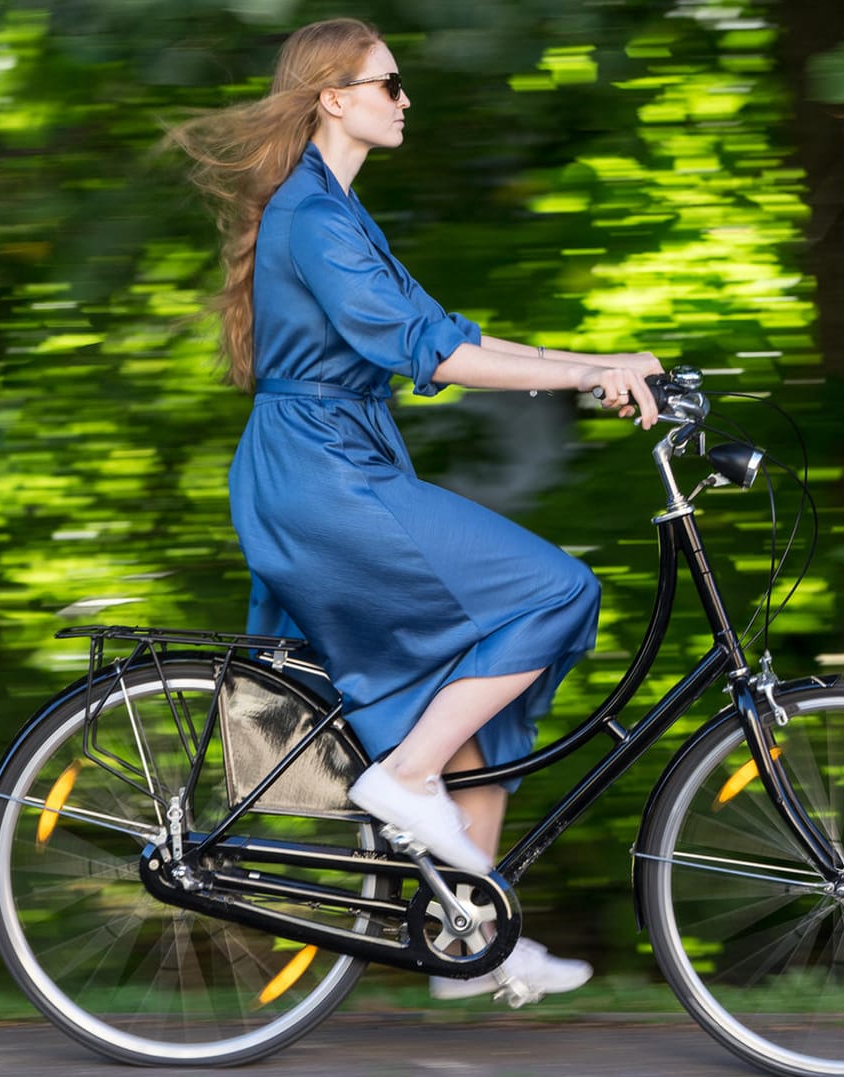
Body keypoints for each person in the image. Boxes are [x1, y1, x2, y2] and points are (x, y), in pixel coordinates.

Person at [164, 16, 660, 1001]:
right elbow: (431, 355)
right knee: (555, 591)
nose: (403, 100)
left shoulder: (335, 214)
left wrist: (588, 368)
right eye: (388, 84)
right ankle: (399, 783)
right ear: (333, 97)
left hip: (341, 467)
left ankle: (472, 936)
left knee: (478, 704)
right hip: (321, 479)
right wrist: (587, 372)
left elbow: (444, 333)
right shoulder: (312, 217)